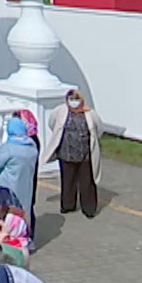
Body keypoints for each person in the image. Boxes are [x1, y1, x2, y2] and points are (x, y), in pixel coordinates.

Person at [40, 91, 100, 219]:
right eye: (71, 99)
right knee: (68, 180)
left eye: (76, 99)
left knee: (87, 182)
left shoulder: (90, 113)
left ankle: (89, 208)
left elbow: (98, 128)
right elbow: (52, 123)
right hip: (66, 153)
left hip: (85, 154)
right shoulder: (60, 111)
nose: (74, 102)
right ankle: (68, 205)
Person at [0, 119, 39, 245]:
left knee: (4, 216)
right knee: (24, 214)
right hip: (26, 188)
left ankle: (4, 241)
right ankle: (24, 240)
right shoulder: (32, 147)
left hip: (7, 188)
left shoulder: (8, 148)